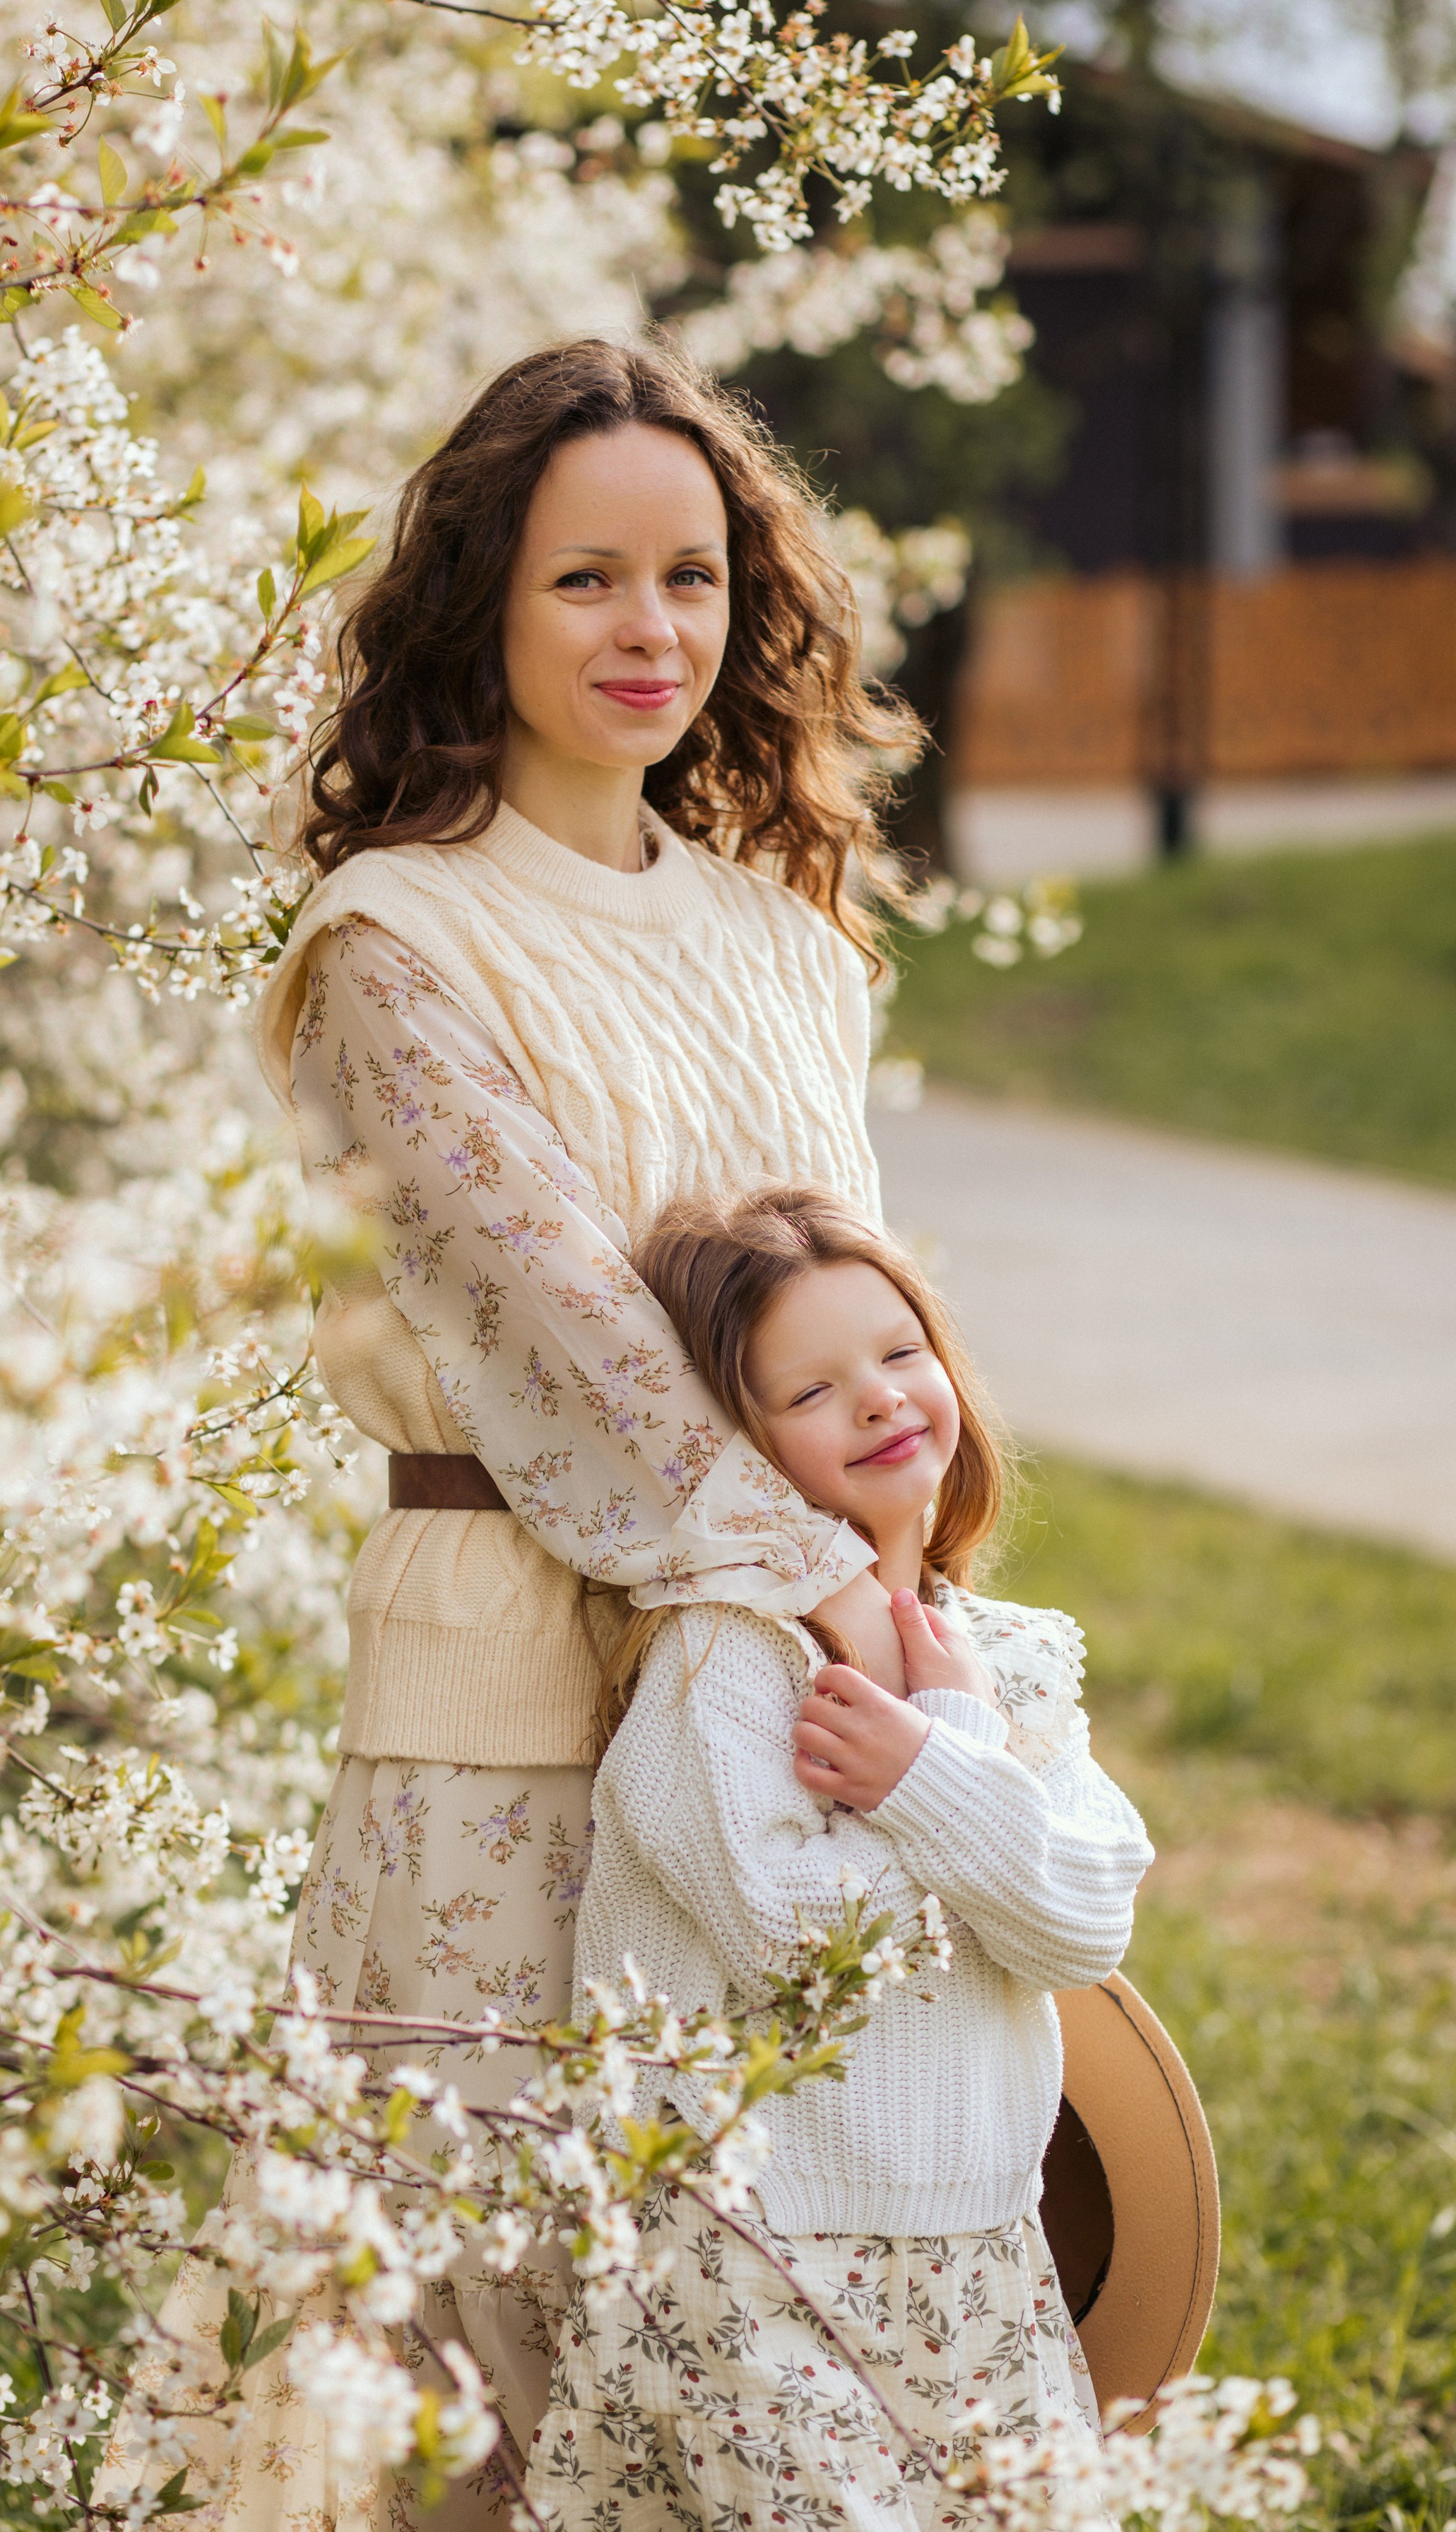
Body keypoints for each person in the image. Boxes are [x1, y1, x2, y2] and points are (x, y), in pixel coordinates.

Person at [149, 338, 923, 2527]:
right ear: (485, 596)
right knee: (480, 2342)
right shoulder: (394, 942)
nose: (650, 632)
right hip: (507, 1682)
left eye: (692, 579)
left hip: (789, 1703)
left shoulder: (791, 947)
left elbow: (860, 1342)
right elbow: (573, 1337)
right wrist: (818, 1607)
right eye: (590, 579)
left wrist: (911, 1618)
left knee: (745, 2327)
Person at [524, 1184, 1154, 2532]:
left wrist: (941, 1753)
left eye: (899, 1352)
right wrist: (969, 1791)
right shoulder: (730, 1659)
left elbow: (1083, 1927)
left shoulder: (1013, 1657)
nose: (877, 1400)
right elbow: (805, 1946)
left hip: (981, 2249)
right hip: (759, 2253)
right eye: (810, 1392)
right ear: (739, 1450)